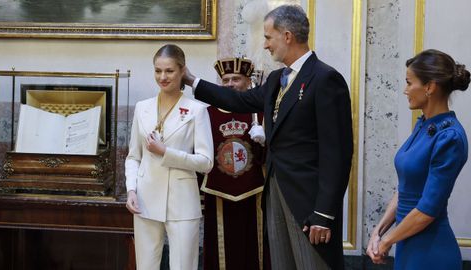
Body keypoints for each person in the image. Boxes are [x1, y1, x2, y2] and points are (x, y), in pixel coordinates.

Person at [183, 5, 353, 270]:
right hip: (275, 193)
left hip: (308, 202)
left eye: (268, 37)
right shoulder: (276, 79)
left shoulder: (325, 79)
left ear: (287, 36)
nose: (265, 45)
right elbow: (238, 100)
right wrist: (192, 81)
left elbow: (338, 153)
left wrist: (324, 213)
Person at [367, 49, 470, 269]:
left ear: (429, 87)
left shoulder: (449, 136)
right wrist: (378, 231)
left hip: (430, 252)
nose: (405, 90)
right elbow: (406, 188)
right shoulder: (424, 124)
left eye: (409, 83)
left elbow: (428, 209)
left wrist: (387, 241)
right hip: (407, 245)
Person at [125, 44, 214, 270]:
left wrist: (166, 152)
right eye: (158, 70)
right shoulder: (142, 108)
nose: (162, 77)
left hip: (182, 201)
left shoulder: (197, 110)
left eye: (169, 71)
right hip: (144, 199)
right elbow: (133, 156)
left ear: (182, 71)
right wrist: (131, 190)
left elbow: (206, 162)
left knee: (184, 266)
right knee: (145, 266)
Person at [200, 57, 267, 270]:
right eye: (226, 80)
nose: (230, 84)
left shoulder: (261, 113)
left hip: (254, 192)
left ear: (249, 82)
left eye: (236, 79)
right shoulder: (206, 114)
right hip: (217, 192)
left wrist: (265, 141)